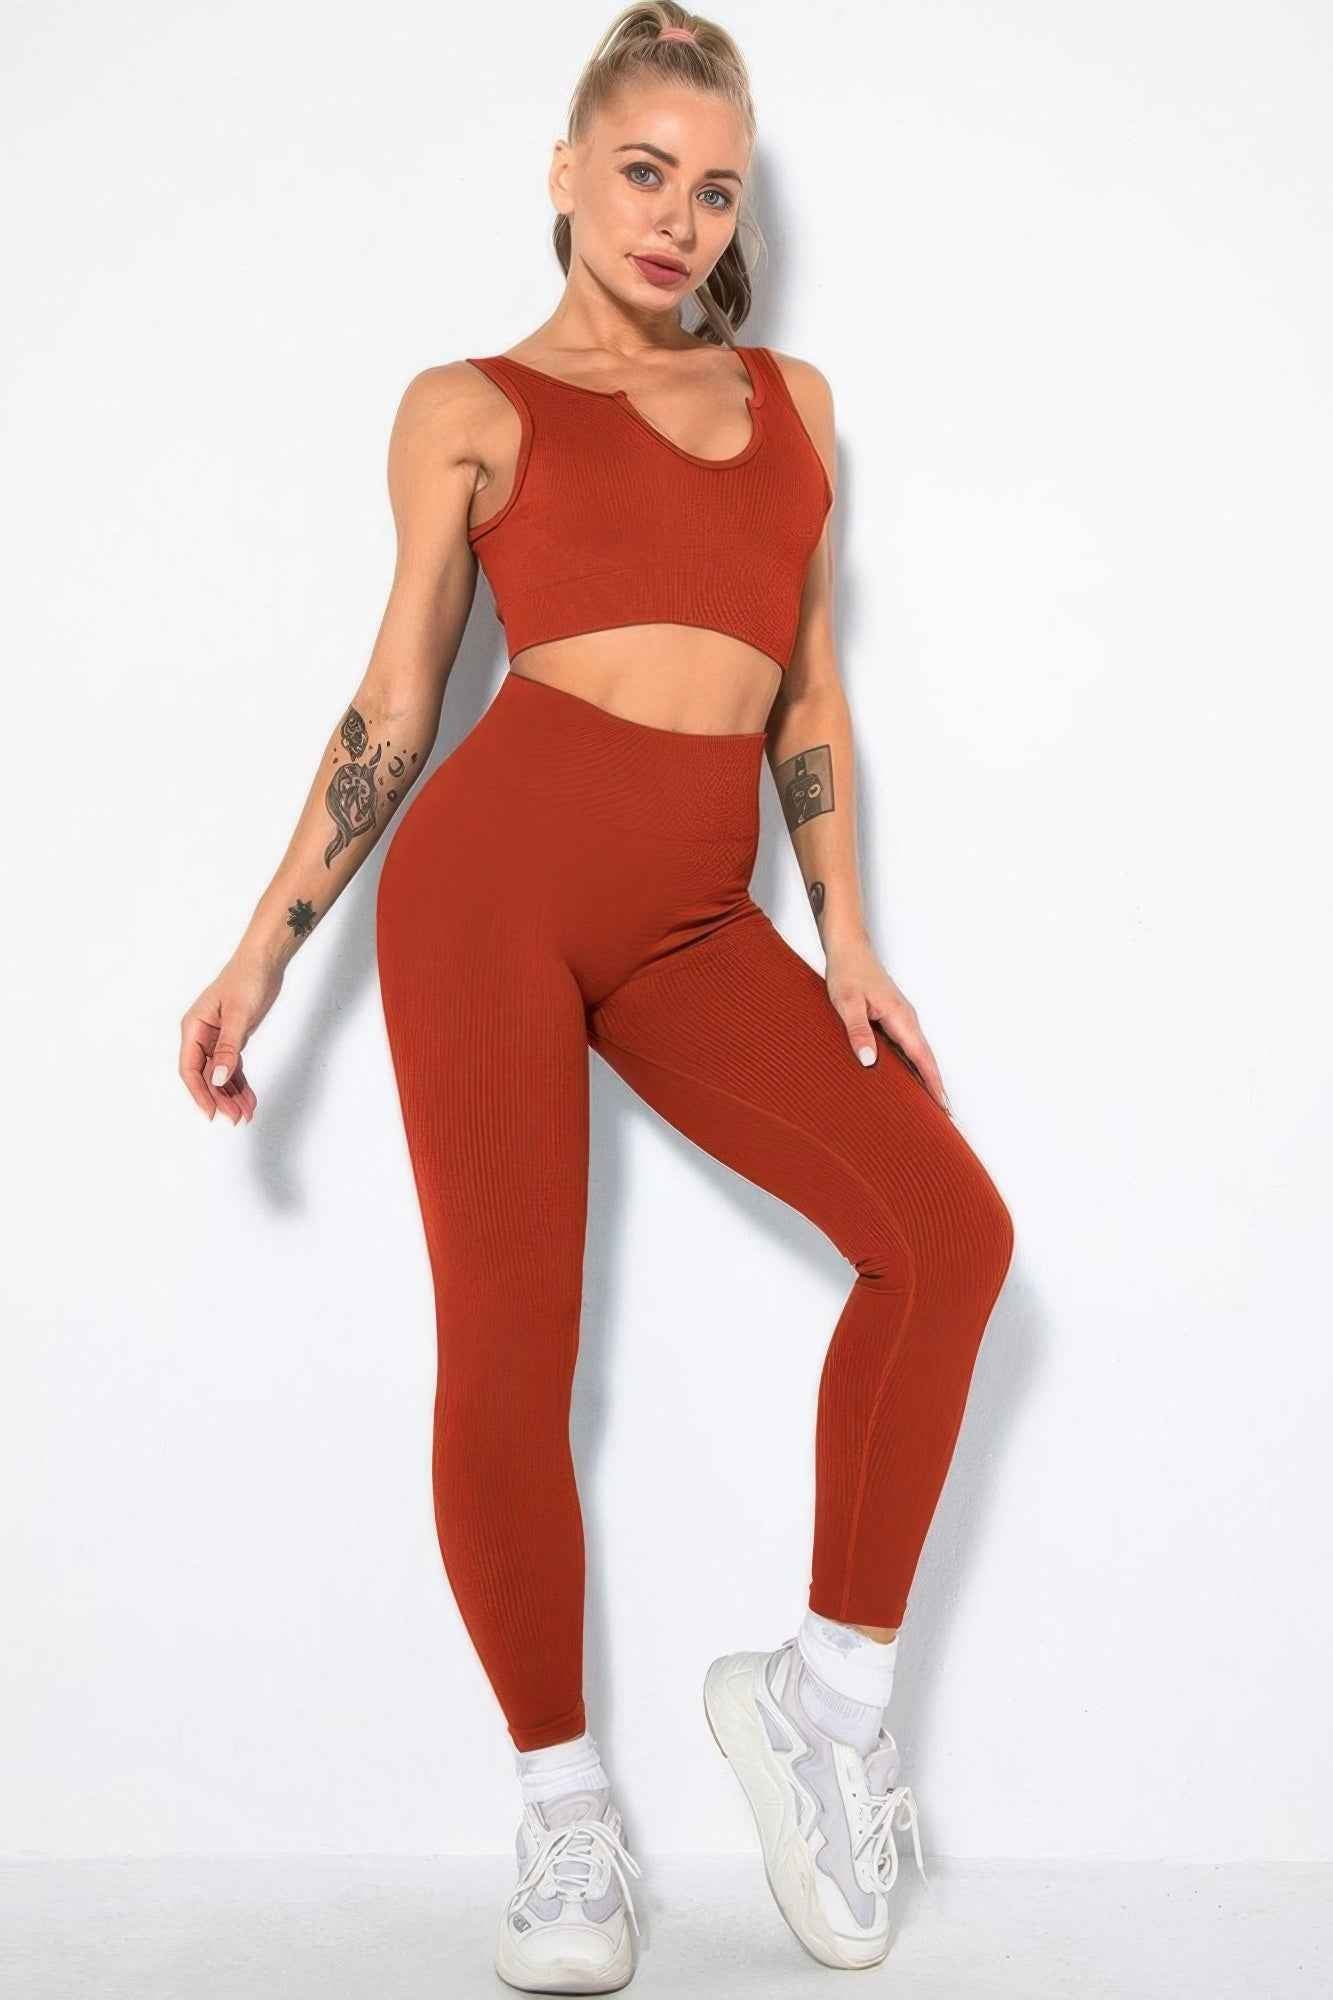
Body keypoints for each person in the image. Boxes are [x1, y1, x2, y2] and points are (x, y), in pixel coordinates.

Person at [178, 4, 1015, 1989]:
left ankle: (821, 1703)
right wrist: (262, 946)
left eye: (712, 187)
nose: (674, 216)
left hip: (696, 919)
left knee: (947, 1238)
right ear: (564, 175)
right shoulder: (467, 406)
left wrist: (847, 933)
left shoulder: (793, 403)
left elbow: (806, 694)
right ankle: (563, 1819)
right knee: (509, 1358)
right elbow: (396, 707)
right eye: (641, 171)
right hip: (485, 900)